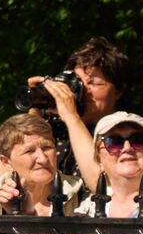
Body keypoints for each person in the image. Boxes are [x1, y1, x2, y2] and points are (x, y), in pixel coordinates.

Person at [25, 37, 132, 189]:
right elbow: (15, 169)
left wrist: (71, 116)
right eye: (77, 82)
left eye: (93, 83)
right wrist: (36, 103)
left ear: (119, 91)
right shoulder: (55, 127)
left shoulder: (128, 134)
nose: (83, 90)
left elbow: (102, 186)